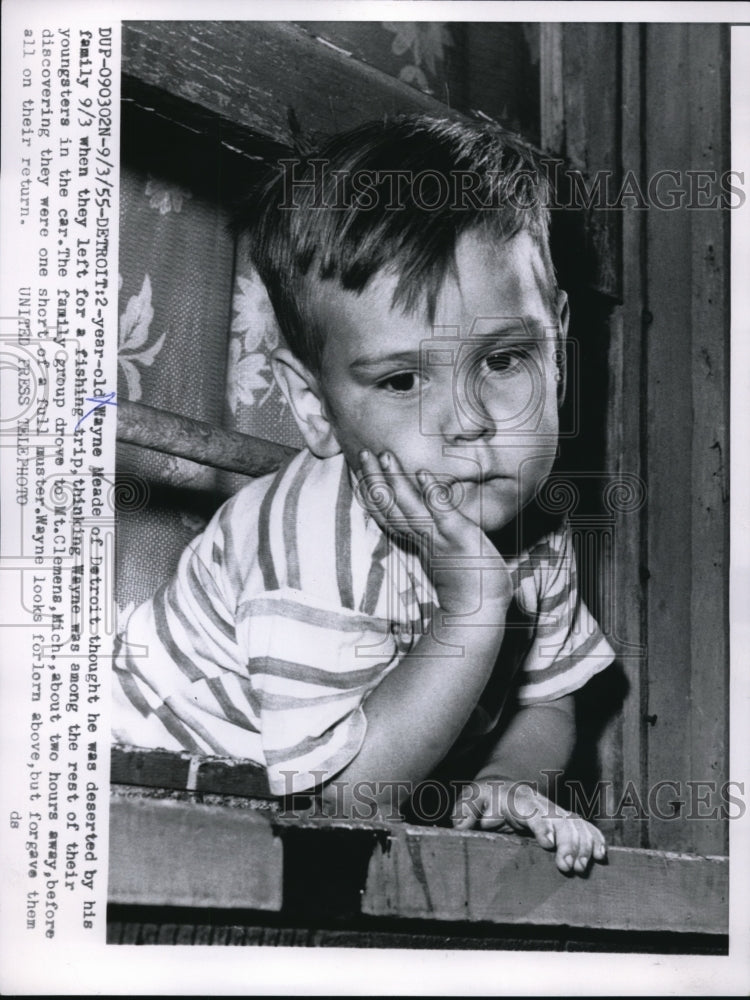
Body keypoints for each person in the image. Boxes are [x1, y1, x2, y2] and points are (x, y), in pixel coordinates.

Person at [113, 116, 615, 875]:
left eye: (505, 359)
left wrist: (505, 784)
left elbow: (550, 698)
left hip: (290, 819)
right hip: (125, 797)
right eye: (403, 380)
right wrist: (472, 616)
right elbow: (335, 809)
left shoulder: (533, 525)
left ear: (560, 352)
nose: (469, 424)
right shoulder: (308, 545)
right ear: (313, 408)